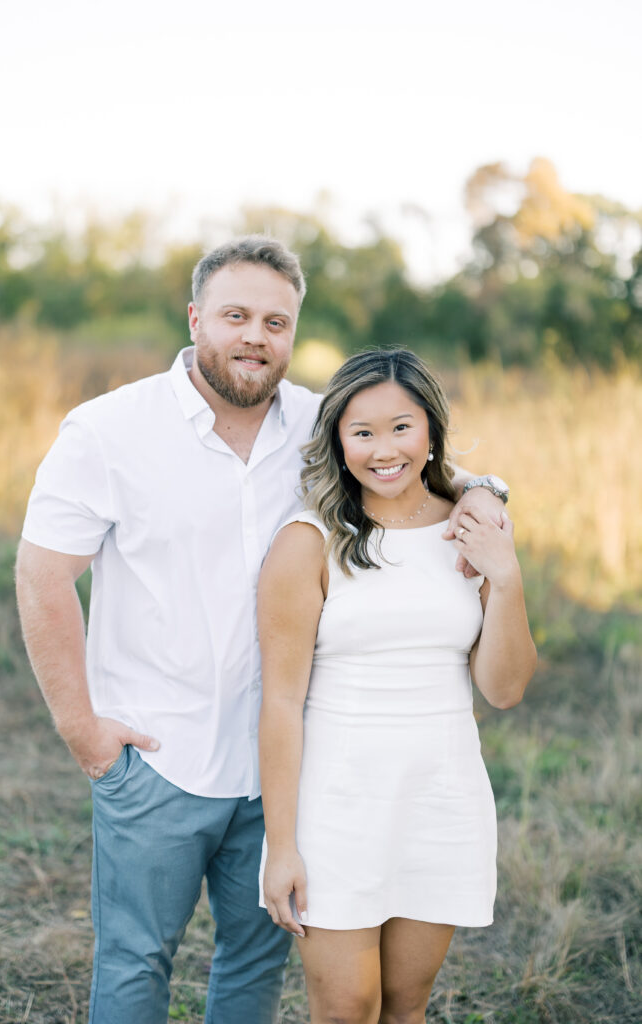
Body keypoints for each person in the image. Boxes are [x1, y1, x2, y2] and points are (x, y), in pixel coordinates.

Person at [15, 235, 509, 1024]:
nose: (255, 336)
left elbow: (412, 462)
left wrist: (486, 491)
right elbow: (42, 576)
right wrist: (84, 732)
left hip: (288, 769)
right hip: (157, 758)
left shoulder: (320, 424)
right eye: (235, 315)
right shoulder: (108, 430)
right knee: (137, 960)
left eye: (275, 322)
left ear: (293, 331)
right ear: (195, 318)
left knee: (253, 966)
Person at [258, 349, 537, 1024]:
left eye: (401, 427)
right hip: (338, 801)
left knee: (406, 1004)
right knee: (347, 1006)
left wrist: (505, 577)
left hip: (440, 793)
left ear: (431, 432)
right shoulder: (307, 541)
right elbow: (280, 703)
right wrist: (282, 845)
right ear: (337, 442)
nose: (384, 450)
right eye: (362, 432)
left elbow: (502, 690)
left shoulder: (470, 530)